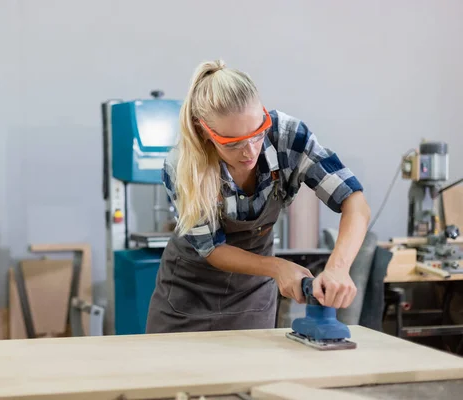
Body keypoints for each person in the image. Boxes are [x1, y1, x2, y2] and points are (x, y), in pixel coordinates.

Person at [145, 60, 371, 333]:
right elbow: (213, 249)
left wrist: (338, 267)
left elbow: (354, 203)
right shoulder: (182, 165)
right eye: (234, 143)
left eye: (257, 134)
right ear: (204, 131)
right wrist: (277, 267)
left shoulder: (288, 136)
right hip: (187, 296)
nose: (251, 151)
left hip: (252, 294)